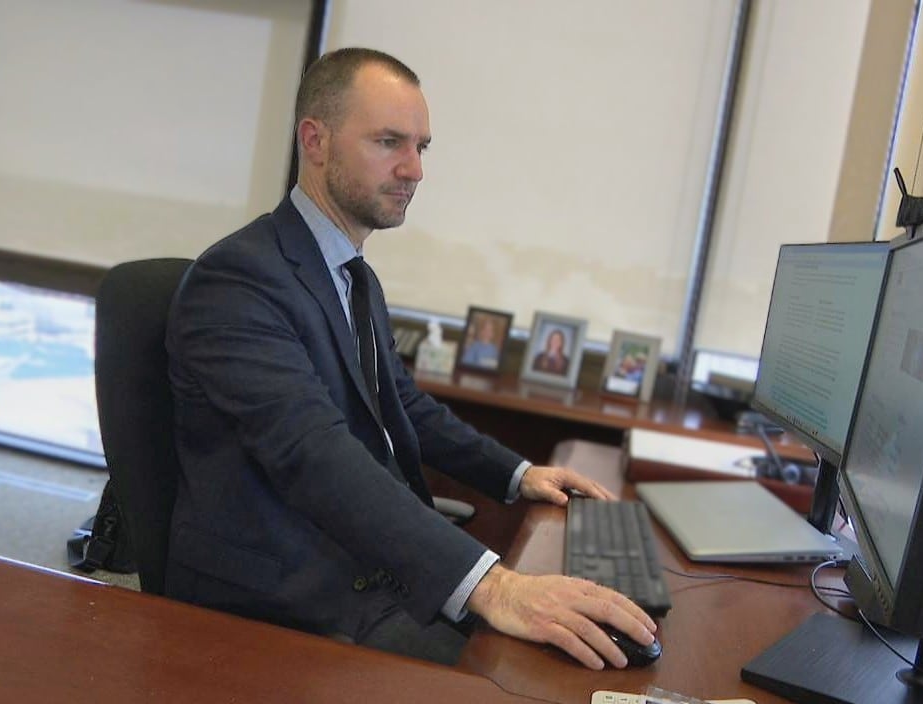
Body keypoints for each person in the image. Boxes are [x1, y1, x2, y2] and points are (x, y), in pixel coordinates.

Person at [164, 47, 655, 670]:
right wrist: (494, 587)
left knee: (566, 660)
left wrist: (517, 472)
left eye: (421, 147)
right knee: (525, 685)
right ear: (315, 141)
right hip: (285, 600)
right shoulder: (239, 280)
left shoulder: (351, 275)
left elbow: (401, 404)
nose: (414, 169)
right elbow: (314, 454)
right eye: (389, 142)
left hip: (367, 564)